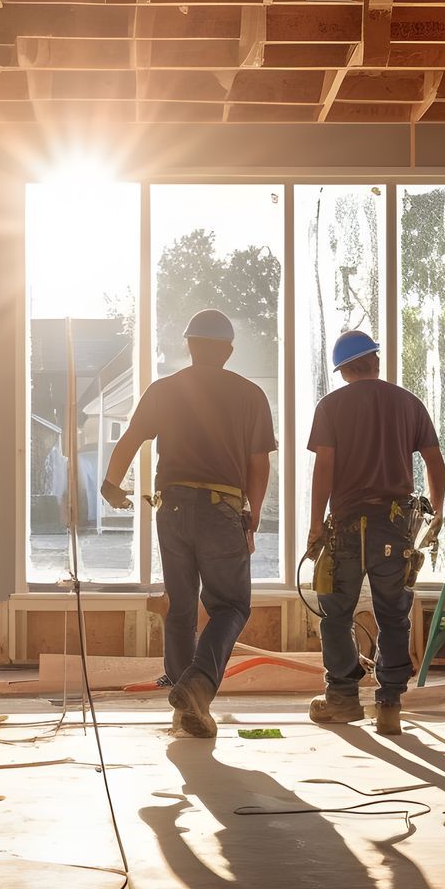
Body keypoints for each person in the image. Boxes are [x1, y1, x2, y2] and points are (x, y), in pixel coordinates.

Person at [101, 308, 275, 739]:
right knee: (231, 606)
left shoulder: (166, 389)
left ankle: (184, 708)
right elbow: (258, 465)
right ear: (228, 351)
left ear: (189, 346)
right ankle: (197, 688)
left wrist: (110, 485)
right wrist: (250, 515)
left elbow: (131, 438)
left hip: (173, 507)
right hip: (221, 508)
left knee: (180, 606)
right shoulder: (250, 395)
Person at [304, 329, 445, 737]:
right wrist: (434, 514)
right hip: (395, 526)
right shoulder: (408, 403)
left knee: (335, 614)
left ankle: (343, 699)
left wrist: (316, 526)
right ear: (376, 362)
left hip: (347, 527)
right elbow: (434, 462)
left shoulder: (331, 406)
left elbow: (324, 470)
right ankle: (389, 706)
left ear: (345, 369)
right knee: (393, 615)